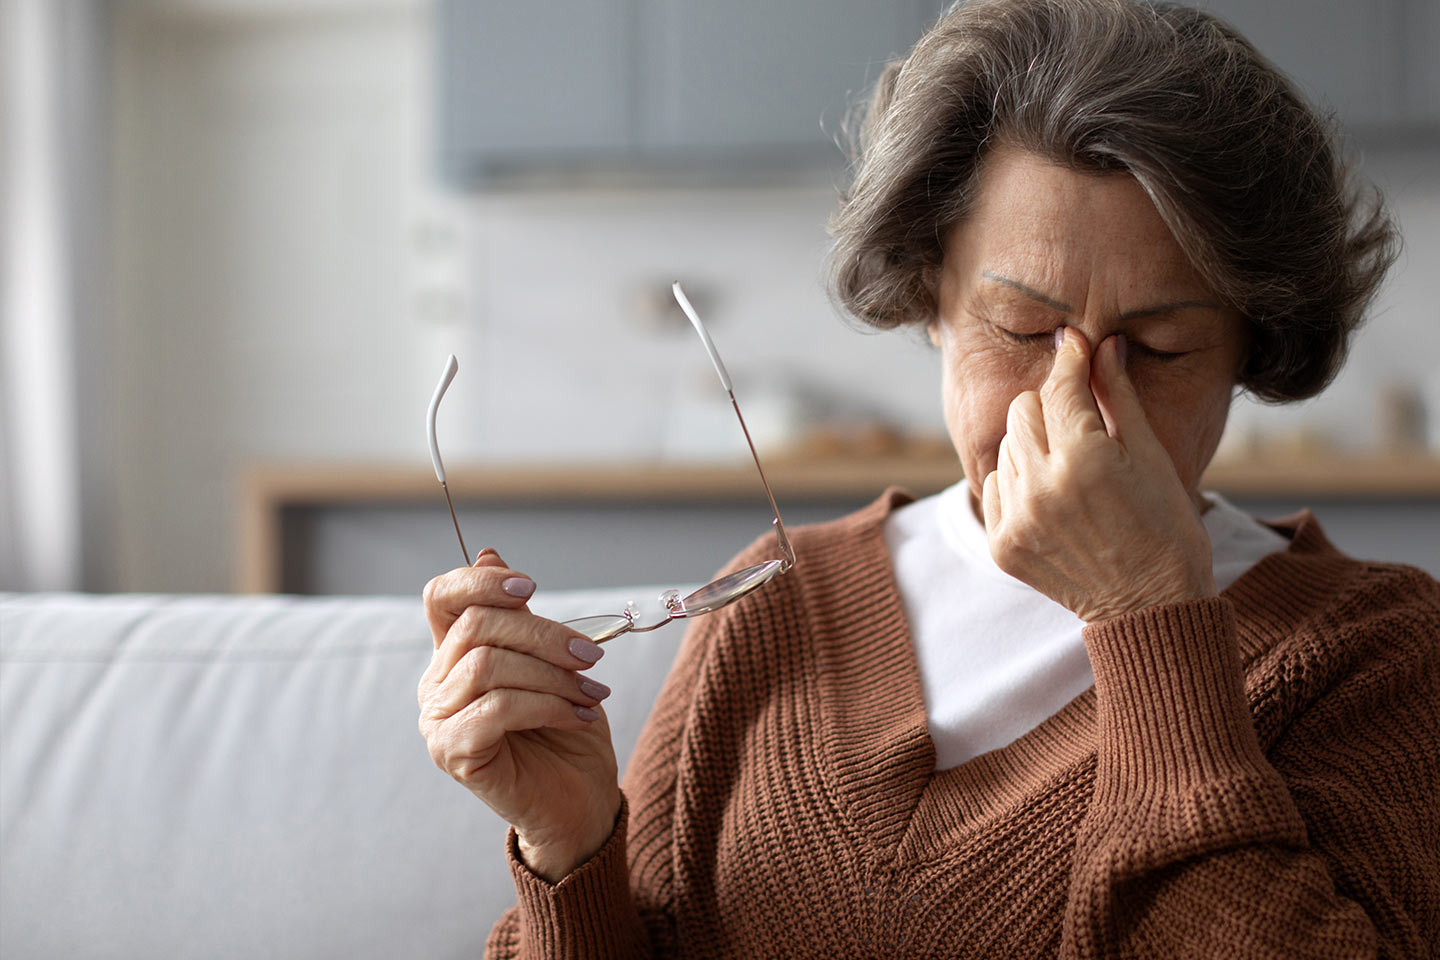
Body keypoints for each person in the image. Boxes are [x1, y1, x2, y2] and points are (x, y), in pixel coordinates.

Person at [417, 0, 1440, 955]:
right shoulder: (781, 604)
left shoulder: (1373, 650)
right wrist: (569, 847)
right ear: (930, 296)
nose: (1074, 407)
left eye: (1163, 347)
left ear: (1249, 353)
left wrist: (1149, 617)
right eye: (1023, 329)